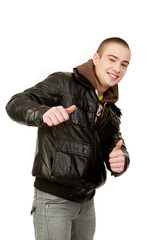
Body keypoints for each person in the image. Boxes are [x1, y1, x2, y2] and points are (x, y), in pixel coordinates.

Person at [6, 37, 131, 240]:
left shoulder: (110, 109)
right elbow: (16, 103)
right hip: (54, 202)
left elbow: (114, 144)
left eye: (124, 64)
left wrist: (122, 159)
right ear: (96, 58)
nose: (117, 68)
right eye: (112, 59)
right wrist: (42, 113)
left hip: (87, 204)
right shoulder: (63, 83)